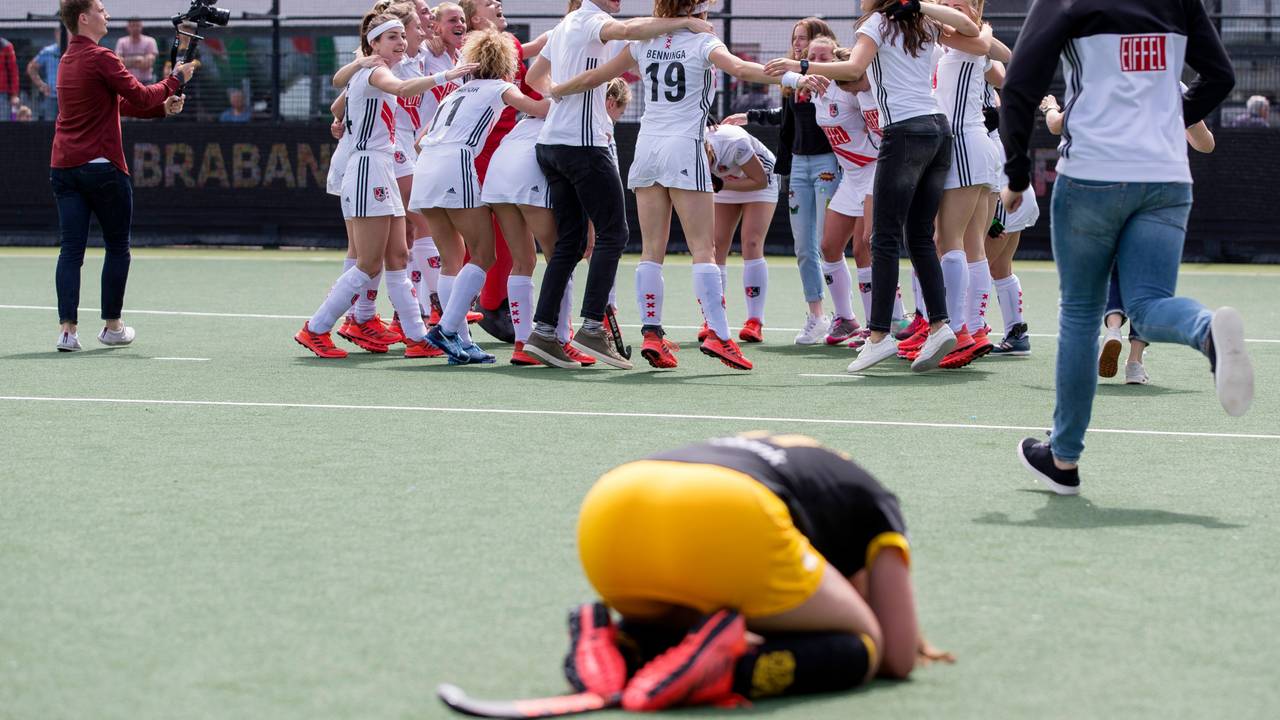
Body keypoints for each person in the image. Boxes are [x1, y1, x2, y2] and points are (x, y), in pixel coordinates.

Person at [1001, 0, 1251, 495]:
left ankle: (1064, 459)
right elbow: (1221, 76)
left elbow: (1020, 84)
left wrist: (1013, 172)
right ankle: (1206, 332)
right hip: (1165, 176)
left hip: (1092, 174)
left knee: (1079, 314)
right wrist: (1159, 120)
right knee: (1150, 303)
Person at [566, 433, 953, 711]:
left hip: (611, 501)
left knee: (693, 617)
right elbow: (899, 658)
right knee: (866, 645)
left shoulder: (794, 459)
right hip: (727, 505)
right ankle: (731, 672)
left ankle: (619, 643)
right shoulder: (872, 495)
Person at [766, 0, 989, 374]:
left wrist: (800, 64)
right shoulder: (923, 22)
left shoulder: (877, 22)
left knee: (882, 238)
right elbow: (972, 33)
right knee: (918, 236)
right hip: (938, 130)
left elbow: (854, 67)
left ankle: (878, 336)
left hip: (904, 132)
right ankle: (939, 325)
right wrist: (923, 6)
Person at [520, 0, 714, 370]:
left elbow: (533, 78)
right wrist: (686, 21)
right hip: (583, 144)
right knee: (614, 234)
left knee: (571, 243)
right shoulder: (594, 20)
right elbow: (628, 30)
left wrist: (558, 93)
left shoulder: (564, 25)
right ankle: (592, 327)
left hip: (550, 144)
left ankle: (543, 333)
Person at [295, 12, 473, 359]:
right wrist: (445, 76)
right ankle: (316, 328)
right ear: (373, 43)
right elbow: (402, 89)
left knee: (398, 256)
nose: (401, 42)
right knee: (368, 263)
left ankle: (417, 336)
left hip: (383, 165)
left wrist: (342, 114)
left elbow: (339, 101)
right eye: (391, 37)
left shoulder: (374, 69)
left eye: (400, 36)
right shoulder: (377, 71)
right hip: (367, 167)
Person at [50, 0, 193, 352]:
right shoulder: (102, 57)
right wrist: (177, 79)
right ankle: (112, 326)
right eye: (101, 9)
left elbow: (123, 104)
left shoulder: (68, 60)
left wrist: (162, 109)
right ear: (83, 18)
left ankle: (67, 332)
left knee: (71, 250)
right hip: (102, 168)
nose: (107, 15)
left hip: (64, 167)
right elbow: (141, 95)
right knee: (117, 247)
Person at [409, 28, 549, 365]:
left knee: (451, 260)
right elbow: (540, 109)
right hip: (456, 164)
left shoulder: (453, 94)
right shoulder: (502, 87)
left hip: (425, 166)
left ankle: (460, 341)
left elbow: (418, 139)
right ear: (506, 63)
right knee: (484, 255)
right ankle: (445, 328)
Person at [723, 17, 838, 346]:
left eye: (804, 38)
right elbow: (785, 117)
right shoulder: (792, 82)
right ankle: (817, 315)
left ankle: (850, 315)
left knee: (830, 244)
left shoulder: (833, 77)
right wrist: (751, 116)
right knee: (804, 247)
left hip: (830, 164)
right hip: (797, 166)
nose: (798, 44)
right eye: (796, 39)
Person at [705, 120, 777, 347]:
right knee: (715, 245)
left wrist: (722, 184)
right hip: (724, 183)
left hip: (761, 179)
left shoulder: (735, 144)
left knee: (752, 242)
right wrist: (719, 183)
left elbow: (760, 180)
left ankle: (754, 321)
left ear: (708, 150)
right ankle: (713, 320)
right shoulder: (691, 147)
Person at [29, 29, 63, 121]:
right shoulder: (48, 51)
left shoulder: (75, 51)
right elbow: (31, 68)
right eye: (61, 32)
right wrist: (41, 85)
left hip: (71, 99)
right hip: (51, 97)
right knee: (49, 129)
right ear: (56, 34)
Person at [114, 17, 156, 84]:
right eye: (133, 25)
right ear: (128, 27)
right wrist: (138, 59)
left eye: (137, 25)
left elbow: (148, 63)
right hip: (127, 81)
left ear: (141, 26)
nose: (135, 28)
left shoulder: (150, 41)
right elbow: (119, 63)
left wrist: (126, 61)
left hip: (146, 82)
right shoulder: (121, 41)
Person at [0, 36, 19, 120]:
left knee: (3, 127)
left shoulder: (6, 46)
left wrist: (14, 95)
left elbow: (13, 72)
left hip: (2, 94)